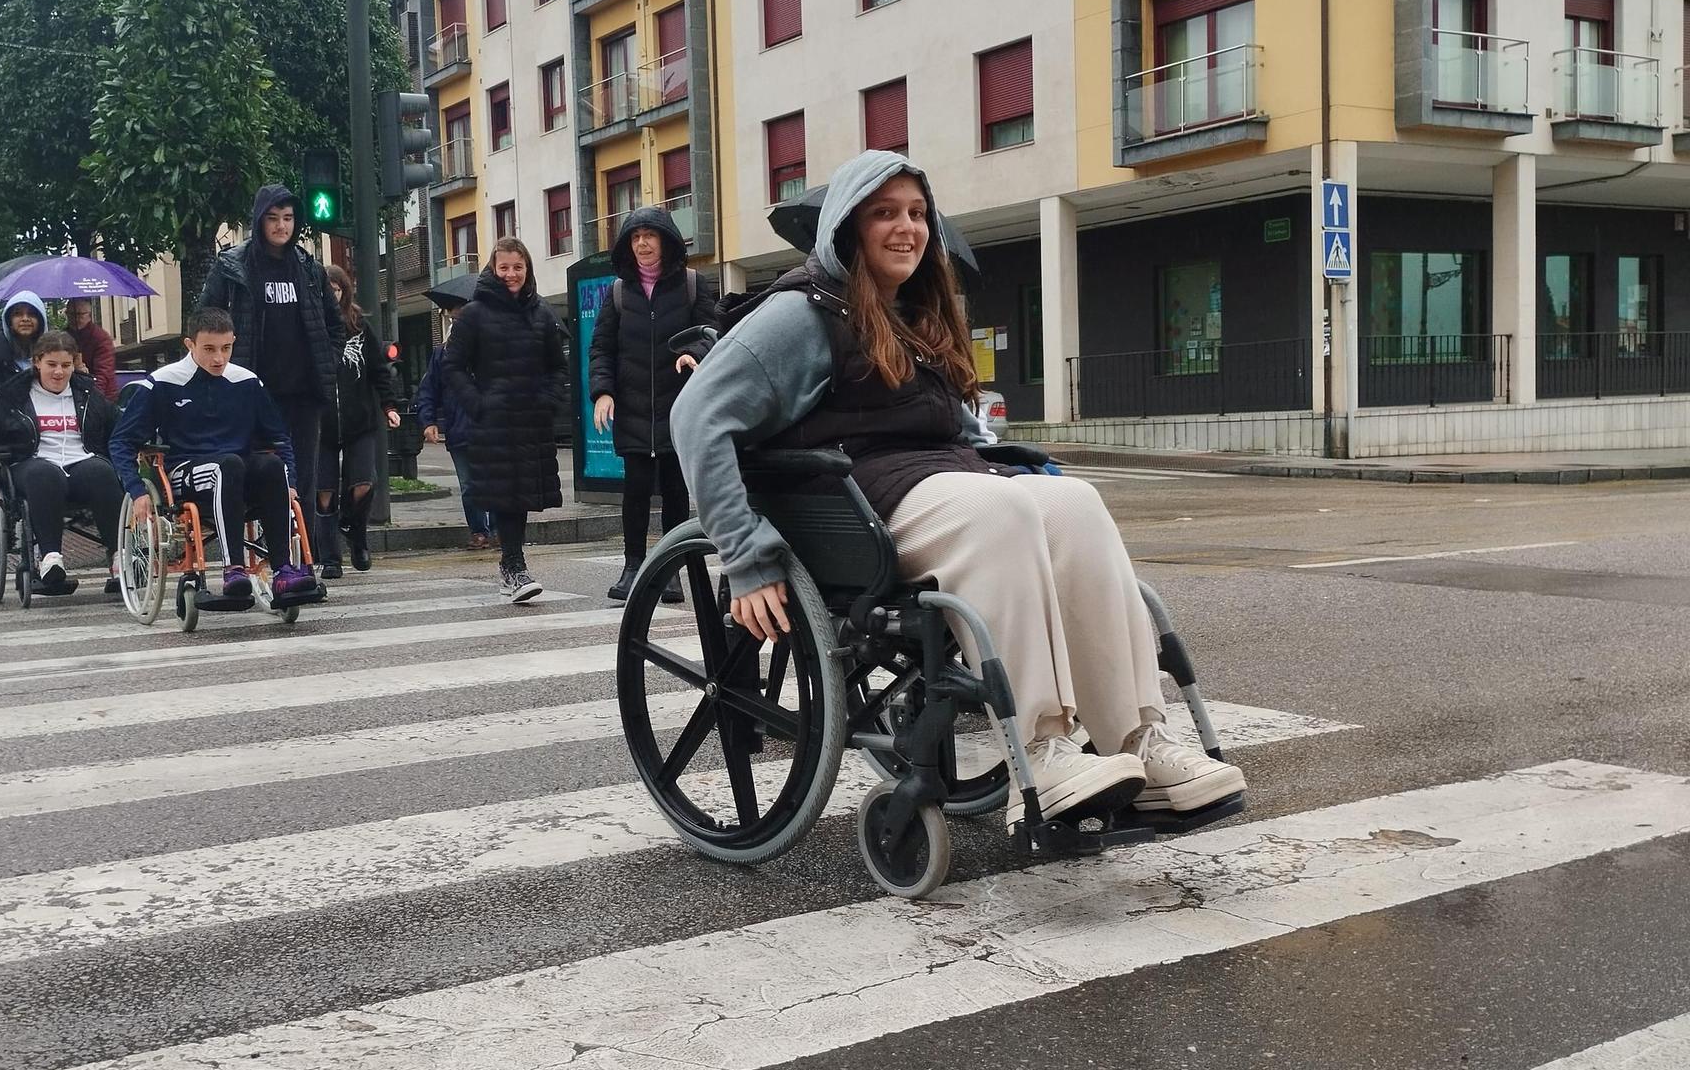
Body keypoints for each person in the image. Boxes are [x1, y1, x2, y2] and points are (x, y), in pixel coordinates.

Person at [674, 151, 1246, 835]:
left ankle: (1137, 741)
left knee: (1076, 502)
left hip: (942, 479)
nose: (906, 228)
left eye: (917, 213)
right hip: (859, 502)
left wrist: (1013, 460)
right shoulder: (801, 313)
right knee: (999, 510)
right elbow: (696, 417)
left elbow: (955, 426)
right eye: (884, 213)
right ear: (845, 228)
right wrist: (746, 556)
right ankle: (1042, 746)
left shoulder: (915, 313)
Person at [109, 307, 312, 604]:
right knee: (227, 465)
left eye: (226, 348)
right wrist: (136, 488)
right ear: (189, 344)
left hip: (237, 469)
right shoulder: (163, 382)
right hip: (185, 471)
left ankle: (283, 570)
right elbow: (122, 440)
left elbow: (280, 438)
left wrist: (290, 480)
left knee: (270, 465)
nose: (219, 358)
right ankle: (233, 569)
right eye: (209, 349)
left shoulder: (246, 381)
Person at [199, 184, 344, 567]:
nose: (281, 226)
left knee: (305, 485)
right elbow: (205, 321)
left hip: (303, 394)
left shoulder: (310, 268)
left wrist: (325, 363)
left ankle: (303, 565)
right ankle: (250, 559)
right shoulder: (232, 265)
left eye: (288, 218)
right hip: (248, 395)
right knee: (255, 475)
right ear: (259, 220)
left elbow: (335, 326)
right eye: (273, 218)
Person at [588, 207, 719, 603]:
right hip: (632, 406)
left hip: (678, 404)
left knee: (676, 489)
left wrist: (694, 351)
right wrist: (603, 392)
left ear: (666, 240)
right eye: (635, 237)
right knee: (637, 488)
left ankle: (672, 569)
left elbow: (713, 331)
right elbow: (602, 349)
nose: (643, 243)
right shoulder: (617, 292)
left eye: (650, 235)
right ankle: (633, 566)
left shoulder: (694, 285)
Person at [443, 237, 567, 604]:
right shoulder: (475, 314)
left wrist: (548, 400)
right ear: (493, 270)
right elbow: (453, 365)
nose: (511, 274)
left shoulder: (542, 312)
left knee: (523, 495)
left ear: (527, 269)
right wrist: (478, 404)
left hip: (531, 419)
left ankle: (512, 565)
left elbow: (556, 366)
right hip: (494, 421)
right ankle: (514, 566)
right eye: (504, 267)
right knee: (504, 494)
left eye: (518, 267)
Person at [0, 331, 124, 595]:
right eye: (52, 364)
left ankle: (119, 556)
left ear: (74, 364)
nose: (59, 372)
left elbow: (118, 425)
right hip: (32, 463)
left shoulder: (87, 393)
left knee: (102, 471)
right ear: (37, 362)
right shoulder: (13, 396)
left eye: (66, 365)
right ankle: (50, 559)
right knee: (45, 475)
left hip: (80, 461)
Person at [317, 263, 403, 577]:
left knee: (363, 483)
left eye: (337, 289)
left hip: (360, 421)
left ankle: (357, 535)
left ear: (345, 291)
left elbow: (380, 371)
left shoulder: (359, 326)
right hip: (321, 425)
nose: (332, 294)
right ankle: (329, 557)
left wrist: (390, 405)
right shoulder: (309, 326)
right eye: (327, 289)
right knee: (323, 491)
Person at [415, 307, 494, 549]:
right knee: (469, 486)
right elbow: (428, 390)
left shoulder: (489, 352)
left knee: (495, 482)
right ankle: (479, 531)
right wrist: (428, 422)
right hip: (460, 431)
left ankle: (500, 530)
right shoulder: (443, 355)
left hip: (491, 428)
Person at [0, 292, 47, 409]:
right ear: (9, 320)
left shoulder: (53, 349)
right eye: (18, 314)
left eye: (31, 314)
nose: (25, 319)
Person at [64, 298, 119, 399]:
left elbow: (103, 374)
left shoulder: (101, 338)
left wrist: (93, 398)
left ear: (89, 314)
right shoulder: (63, 337)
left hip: (101, 397)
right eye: (70, 314)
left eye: (79, 314)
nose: (74, 318)